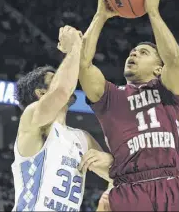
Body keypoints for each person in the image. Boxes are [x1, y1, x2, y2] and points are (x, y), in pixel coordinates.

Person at [78, 0, 179, 211]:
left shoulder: (168, 92)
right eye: (132, 52)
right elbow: (82, 65)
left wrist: (153, 12)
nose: (133, 54)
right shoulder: (111, 97)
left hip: (171, 184)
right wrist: (100, 15)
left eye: (143, 52)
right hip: (128, 188)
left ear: (158, 68)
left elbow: (174, 59)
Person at [11, 26, 113, 212]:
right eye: (56, 78)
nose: (69, 79)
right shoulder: (32, 118)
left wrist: (110, 162)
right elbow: (61, 91)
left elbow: (119, 177)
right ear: (41, 93)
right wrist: (75, 46)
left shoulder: (83, 138)